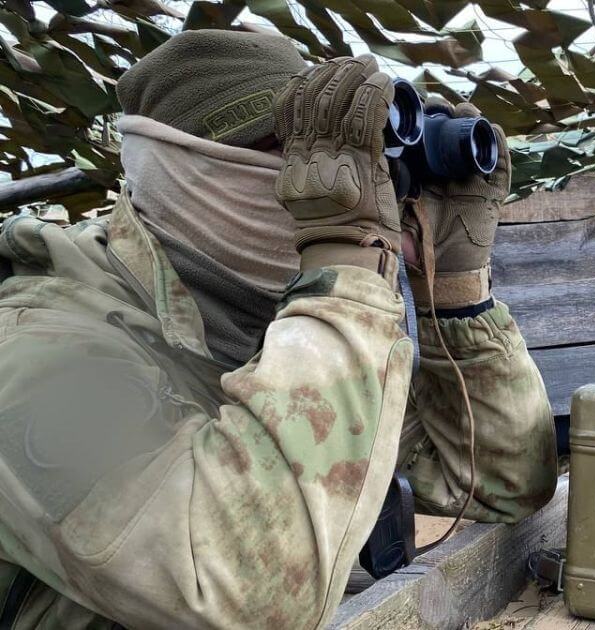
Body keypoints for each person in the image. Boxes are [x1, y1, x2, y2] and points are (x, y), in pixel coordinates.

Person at [0, 30, 557, 629]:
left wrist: (455, 289)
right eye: (297, 153)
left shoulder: (270, 323)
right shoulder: (32, 349)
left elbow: (499, 481)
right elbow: (247, 594)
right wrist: (347, 265)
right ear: (194, 171)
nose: (345, 180)